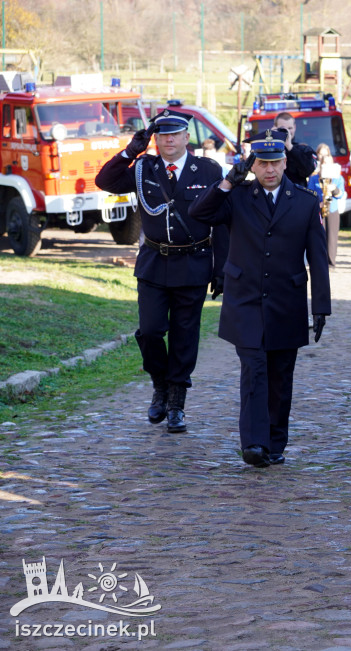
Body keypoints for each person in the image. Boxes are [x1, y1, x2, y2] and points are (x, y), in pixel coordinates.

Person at [189, 130, 331, 468]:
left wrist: (320, 307)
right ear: (252, 165)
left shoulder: (306, 201)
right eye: (262, 163)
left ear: (285, 163)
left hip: (287, 301)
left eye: (275, 162)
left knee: (280, 375)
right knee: (254, 370)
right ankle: (254, 443)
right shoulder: (237, 196)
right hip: (246, 300)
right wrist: (227, 182)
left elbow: (318, 257)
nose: (269, 169)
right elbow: (199, 213)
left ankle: (274, 442)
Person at [95, 109, 228, 434]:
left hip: (193, 263)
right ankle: (159, 383)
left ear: (186, 137)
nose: (168, 140)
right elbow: (105, 181)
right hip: (154, 263)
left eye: (175, 134)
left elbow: (222, 220)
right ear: (155, 139)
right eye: (162, 135)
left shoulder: (208, 169)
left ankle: (176, 402)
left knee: (185, 335)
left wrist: (221, 267)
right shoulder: (144, 168)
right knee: (151, 330)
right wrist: (131, 151)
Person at [310, 143, 343, 266]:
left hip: (332, 209)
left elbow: (340, 194)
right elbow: (310, 193)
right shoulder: (314, 178)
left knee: (332, 237)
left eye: (329, 163)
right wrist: (318, 203)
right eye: (324, 163)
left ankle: (331, 261)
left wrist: (334, 189)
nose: (327, 165)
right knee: (319, 236)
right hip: (319, 209)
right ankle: (320, 261)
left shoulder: (338, 178)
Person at [273, 111, 317, 186]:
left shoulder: (304, 149)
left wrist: (290, 147)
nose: (287, 132)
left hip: (296, 191)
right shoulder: (268, 147)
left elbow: (307, 170)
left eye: (290, 128)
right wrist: (270, 140)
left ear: (295, 127)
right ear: (275, 128)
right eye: (282, 129)